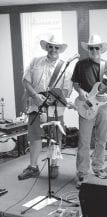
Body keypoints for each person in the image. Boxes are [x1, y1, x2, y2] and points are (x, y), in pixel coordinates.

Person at [18, 34, 73, 180]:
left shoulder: (65, 67)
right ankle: (33, 167)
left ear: (60, 49)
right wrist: (35, 95)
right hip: (36, 106)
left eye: (56, 47)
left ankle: (54, 165)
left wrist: (53, 96)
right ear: (46, 47)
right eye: (51, 46)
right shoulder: (35, 62)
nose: (53, 49)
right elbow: (25, 81)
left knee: (55, 137)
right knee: (35, 137)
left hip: (55, 108)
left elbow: (67, 91)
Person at [72, 34, 107, 188]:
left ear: (101, 49)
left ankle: (98, 168)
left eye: (96, 47)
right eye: (91, 48)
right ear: (88, 49)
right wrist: (79, 92)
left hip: (104, 106)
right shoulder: (80, 65)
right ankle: (82, 171)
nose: (93, 50)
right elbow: (75, 83)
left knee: (102, 139)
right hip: (86, 104)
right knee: (84, 140)